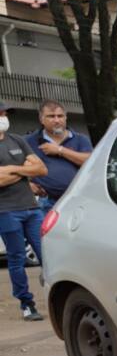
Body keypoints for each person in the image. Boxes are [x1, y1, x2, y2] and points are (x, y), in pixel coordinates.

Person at [0, 101, 49, 321]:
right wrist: (25, 171)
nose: (3, 117)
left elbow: (41, 169)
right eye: (0, 113)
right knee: (17, 258)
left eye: (4, 113)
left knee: (47, 254)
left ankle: (55, 294)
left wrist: (11, 169)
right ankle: (26, 303)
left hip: (32, 208)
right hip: (6, 211)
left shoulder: (17, 139)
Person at [24, 100, 92, 212]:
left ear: (66, 117)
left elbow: (90, 163)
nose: (56, 120)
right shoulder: (28, 141)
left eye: (60, 116)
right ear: (41, 119)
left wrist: (60, 150)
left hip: (78, 200)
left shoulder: (80, 139)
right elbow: (13, 167)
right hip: (44, 202)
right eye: (51, 116)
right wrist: (28, 185)